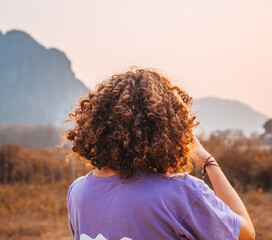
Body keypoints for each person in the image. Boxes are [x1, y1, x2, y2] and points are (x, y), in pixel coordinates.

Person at [64, 68, 255, 240]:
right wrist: (208, 161)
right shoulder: (180, 193)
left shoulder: (78, 192)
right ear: (169, 130)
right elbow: (245, 235)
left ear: (99, 126)